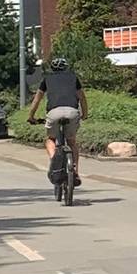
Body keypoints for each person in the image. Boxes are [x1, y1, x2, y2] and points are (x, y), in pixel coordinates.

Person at [26, 57, 86, 188]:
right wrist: (85, 114)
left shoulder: (47, 78)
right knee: (72, 142)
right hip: (72, 111)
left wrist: (31, 116)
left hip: (54, 112)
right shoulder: (73, 77)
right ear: (66, 68)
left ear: (52, 68)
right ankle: (75, 172)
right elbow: (82, 97)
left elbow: (37, 100)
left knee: (50, 139)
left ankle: (54, 160)